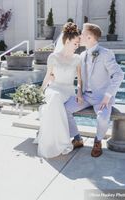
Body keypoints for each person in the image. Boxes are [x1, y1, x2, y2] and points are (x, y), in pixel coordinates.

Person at [65, 23, 124, 157]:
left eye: (82, 34)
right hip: (85, 96)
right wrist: (79, 92)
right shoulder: (82, 55)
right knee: (65, 108)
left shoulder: (106, 53)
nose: (79, 36)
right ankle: (77, 138)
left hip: (101, 98)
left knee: (102, 118)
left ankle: (97, 141)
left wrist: (108, 96)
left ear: (90, 37)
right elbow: (79, 78)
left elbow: (119, 74)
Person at [37, 22, 83, 158]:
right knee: (54, 98)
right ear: (67, 41)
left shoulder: (77, 59)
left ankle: (61, 140)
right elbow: (47, 77)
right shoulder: (53, 57)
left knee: (55, 99)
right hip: (54, 88)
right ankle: (52, 140)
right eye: (75, 43)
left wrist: (79, 93)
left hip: (68, 90)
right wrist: (39, 92)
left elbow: (80, 80)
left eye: (78, 43)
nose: (77, 46)